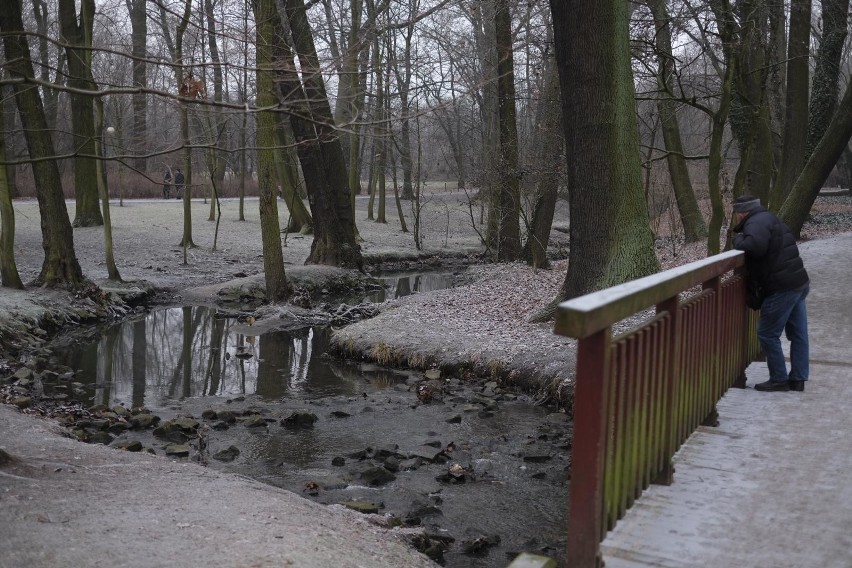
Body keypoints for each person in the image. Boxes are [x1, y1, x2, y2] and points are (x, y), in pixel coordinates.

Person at [732, 195, 810, 392]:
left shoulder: (755, 223)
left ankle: (779, 379)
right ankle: (798, 378)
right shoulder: (769, 218)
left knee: (767, 333)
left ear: (742, 213)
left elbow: (754, 247)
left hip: (782, 286)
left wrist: (738, 238)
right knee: (798, 334)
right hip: (798, 282)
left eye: (736, 214)